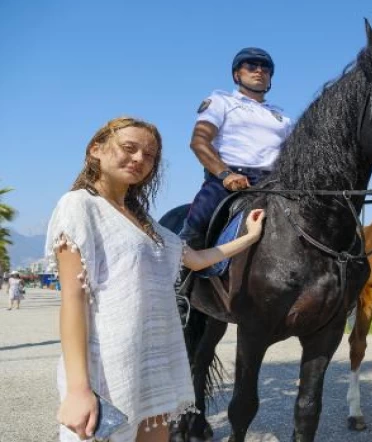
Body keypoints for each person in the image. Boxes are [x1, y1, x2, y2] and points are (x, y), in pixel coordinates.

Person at [47, 117, 266, 442]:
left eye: (149, 156)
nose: (139, 159)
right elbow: (73, 300)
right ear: (96, 149)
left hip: (155, 364)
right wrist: (79, 389)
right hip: (109, 368)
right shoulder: (79, 206)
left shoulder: (146, 223)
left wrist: (249, 237)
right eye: (129, 148)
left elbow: (197, 258)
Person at [180, 47, 292, 251]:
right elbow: (199, 141)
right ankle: (179, 271)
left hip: (274, 182)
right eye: (250, 65)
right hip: (229, 180)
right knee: (201, 218)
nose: (259, 70)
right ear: (236, 74)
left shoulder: (281, 118)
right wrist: (226, 175)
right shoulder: (220, 102)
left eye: (265, 68)